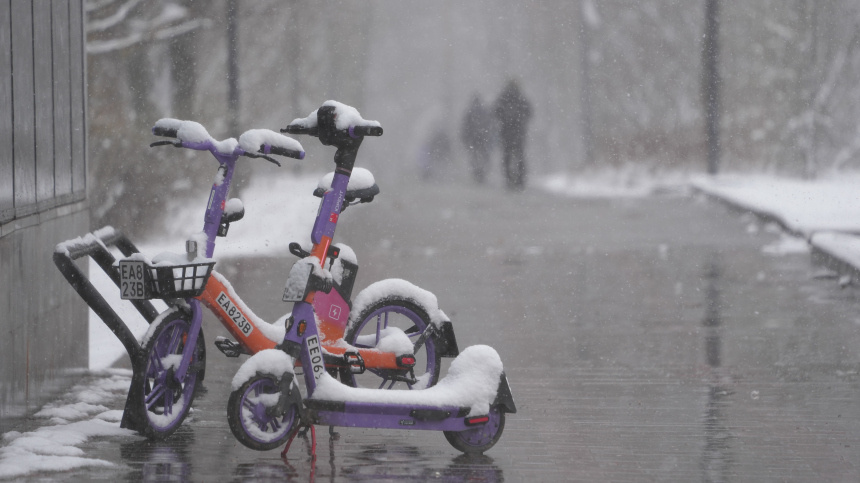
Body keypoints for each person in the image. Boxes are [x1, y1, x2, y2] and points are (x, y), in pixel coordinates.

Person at [494, 80, 532, 191]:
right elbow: (530, 112)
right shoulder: (521, 98)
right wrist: (521, 120)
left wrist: (503, 120)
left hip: (506, 133)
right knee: (520, 155)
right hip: (519, 133)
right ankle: (520, 179)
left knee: (507, 156)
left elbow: (495, 112)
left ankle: (508, 178)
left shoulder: (503, 97)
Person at [460, 94, 493, 184]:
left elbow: (465, 126)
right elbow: (489, 124)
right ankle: (482, 172)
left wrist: (464, 138)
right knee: (483, 155)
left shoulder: (469, 112)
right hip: (483, 137)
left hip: (473, 138)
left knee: (474, 156)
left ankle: (476, 172)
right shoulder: (484, 111)